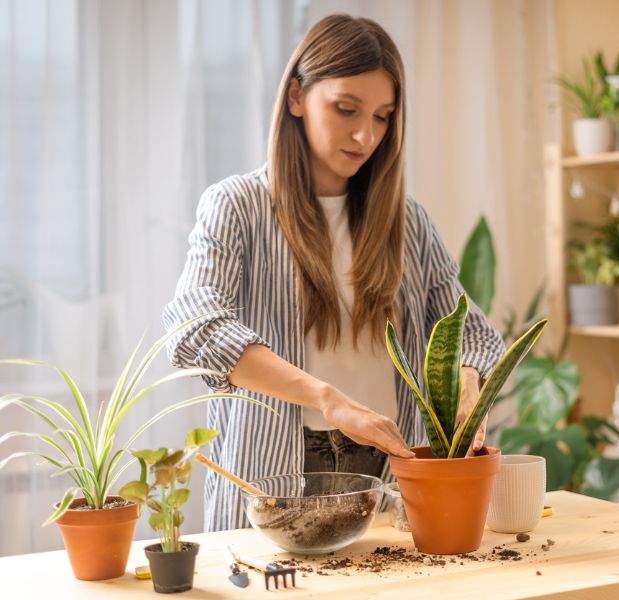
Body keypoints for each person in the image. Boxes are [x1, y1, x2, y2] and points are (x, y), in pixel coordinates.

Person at [163, 14, 505, 532]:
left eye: (383, 117)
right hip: (278, 468)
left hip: (391, 468)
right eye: (346, 109)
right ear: (296, 97)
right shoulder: (237, 206)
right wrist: (328, 399)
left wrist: (466, 383)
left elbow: (472, 331)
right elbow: (195, 329)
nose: (366, 135)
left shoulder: (407, 222)